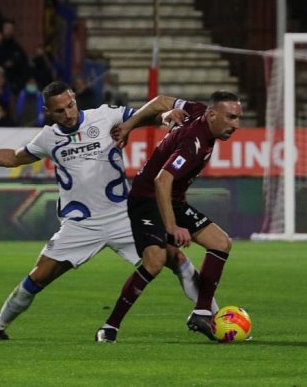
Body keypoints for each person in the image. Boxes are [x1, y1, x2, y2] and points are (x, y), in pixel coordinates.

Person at [0, 81, 215, 341]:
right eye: (60, 110)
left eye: (70, 105)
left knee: (175, 258)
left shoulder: (105, 116)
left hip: (123, 215)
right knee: (39, 275)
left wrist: (164, 117)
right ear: (48, 112)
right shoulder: (49, 138)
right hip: (80, 224)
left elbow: (146, 114)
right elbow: (12, 157)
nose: (68, 114)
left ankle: (212, 315)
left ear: (74, 99)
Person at [95, 91, 241, 343]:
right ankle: (110, 326)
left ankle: (202, 313)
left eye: (238, 118)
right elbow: (162, 180)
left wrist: (129, 125)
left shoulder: (197, 111)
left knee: (221, 242)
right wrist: (172, 227)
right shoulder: (194, 142)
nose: (235, 125)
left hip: (173, 199)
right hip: (147, 198)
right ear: (213, 114)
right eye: (230, 117)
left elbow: (162, 101)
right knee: (155, 261)